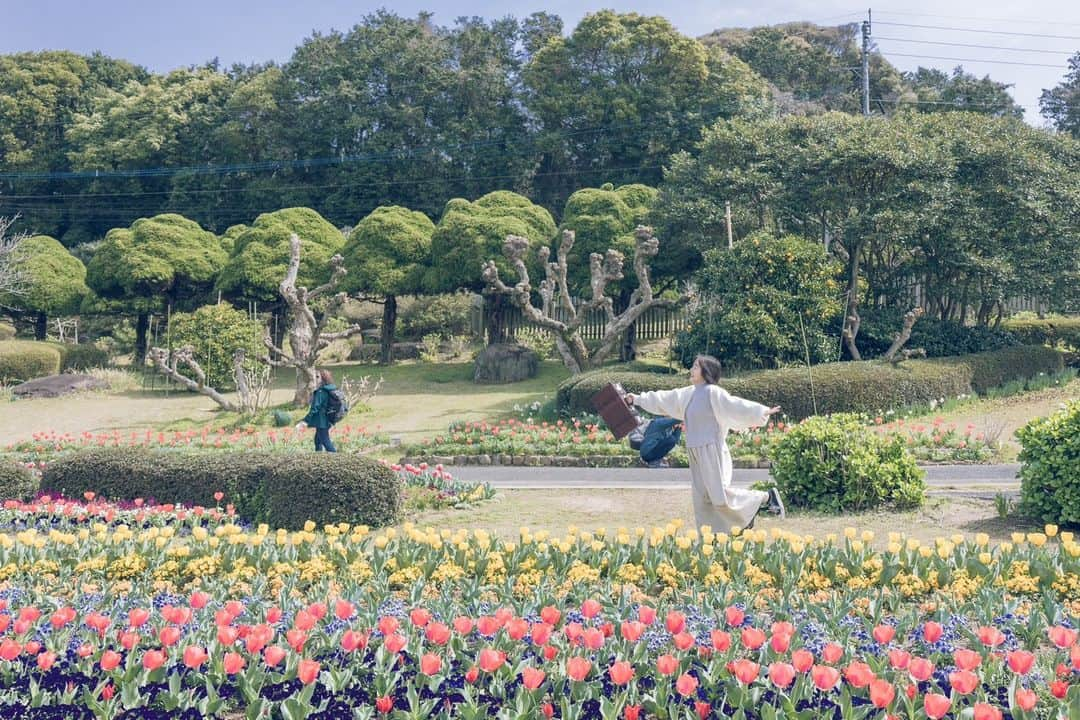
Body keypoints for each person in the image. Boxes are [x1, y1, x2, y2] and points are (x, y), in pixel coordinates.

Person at [625, 355, 785, 532]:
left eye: (695, 367)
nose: (691, 370)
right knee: (702, 501)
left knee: (719, 496)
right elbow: (663, 399)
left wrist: (761, 411)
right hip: (695, 452)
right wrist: (637, 399)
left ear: (706, 372)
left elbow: (735, 405)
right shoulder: (688, 393)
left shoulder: (712, 392)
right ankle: (711, 540)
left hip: (712, 451)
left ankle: (765, 498)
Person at [295, 369, 339, 452]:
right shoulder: (330, 389)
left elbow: (314, 408)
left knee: (326, 442)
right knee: (317, 440)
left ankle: (338, 459)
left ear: (323, 378)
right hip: (327, 419)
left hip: (322, 421)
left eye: (318, 377)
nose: (315, 378)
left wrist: (305, 421)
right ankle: (318, 458)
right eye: (315, 376)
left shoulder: (321, 391)